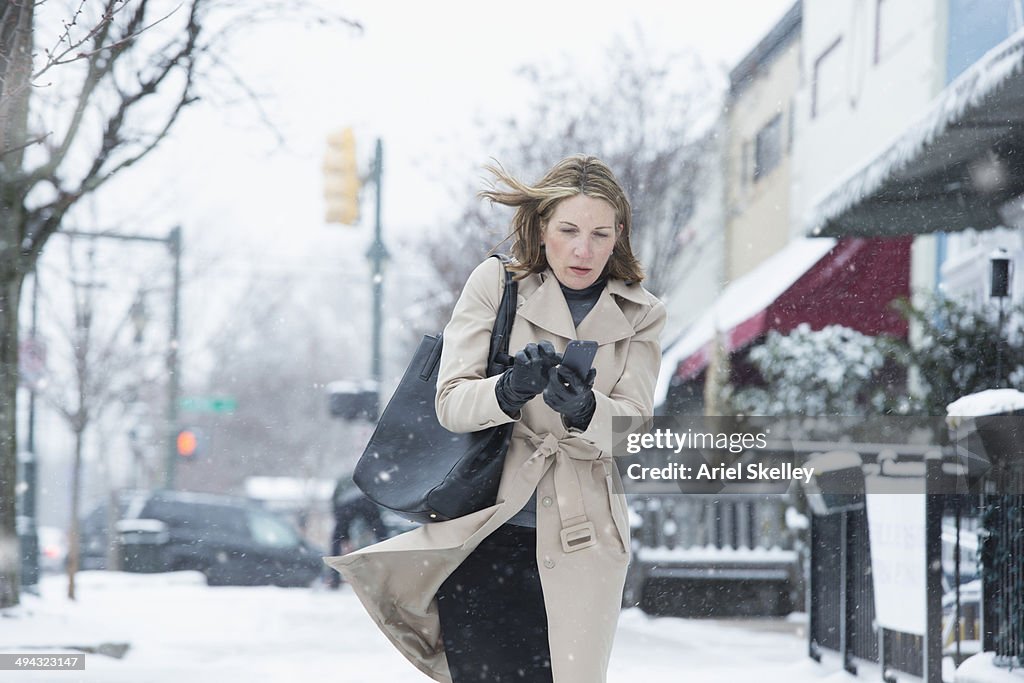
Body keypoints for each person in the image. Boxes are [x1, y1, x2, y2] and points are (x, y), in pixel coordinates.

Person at [325, 154, 665, 683]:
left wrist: (585, 410)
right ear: (542, 227)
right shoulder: (497, 283)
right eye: (568, 229)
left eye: (600, 233)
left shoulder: (642, 312)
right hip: (485, 531)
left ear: (619, 234)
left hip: (582, 539)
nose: (583, 249)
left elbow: (634, 428)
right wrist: (507, 391)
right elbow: (452, 403)